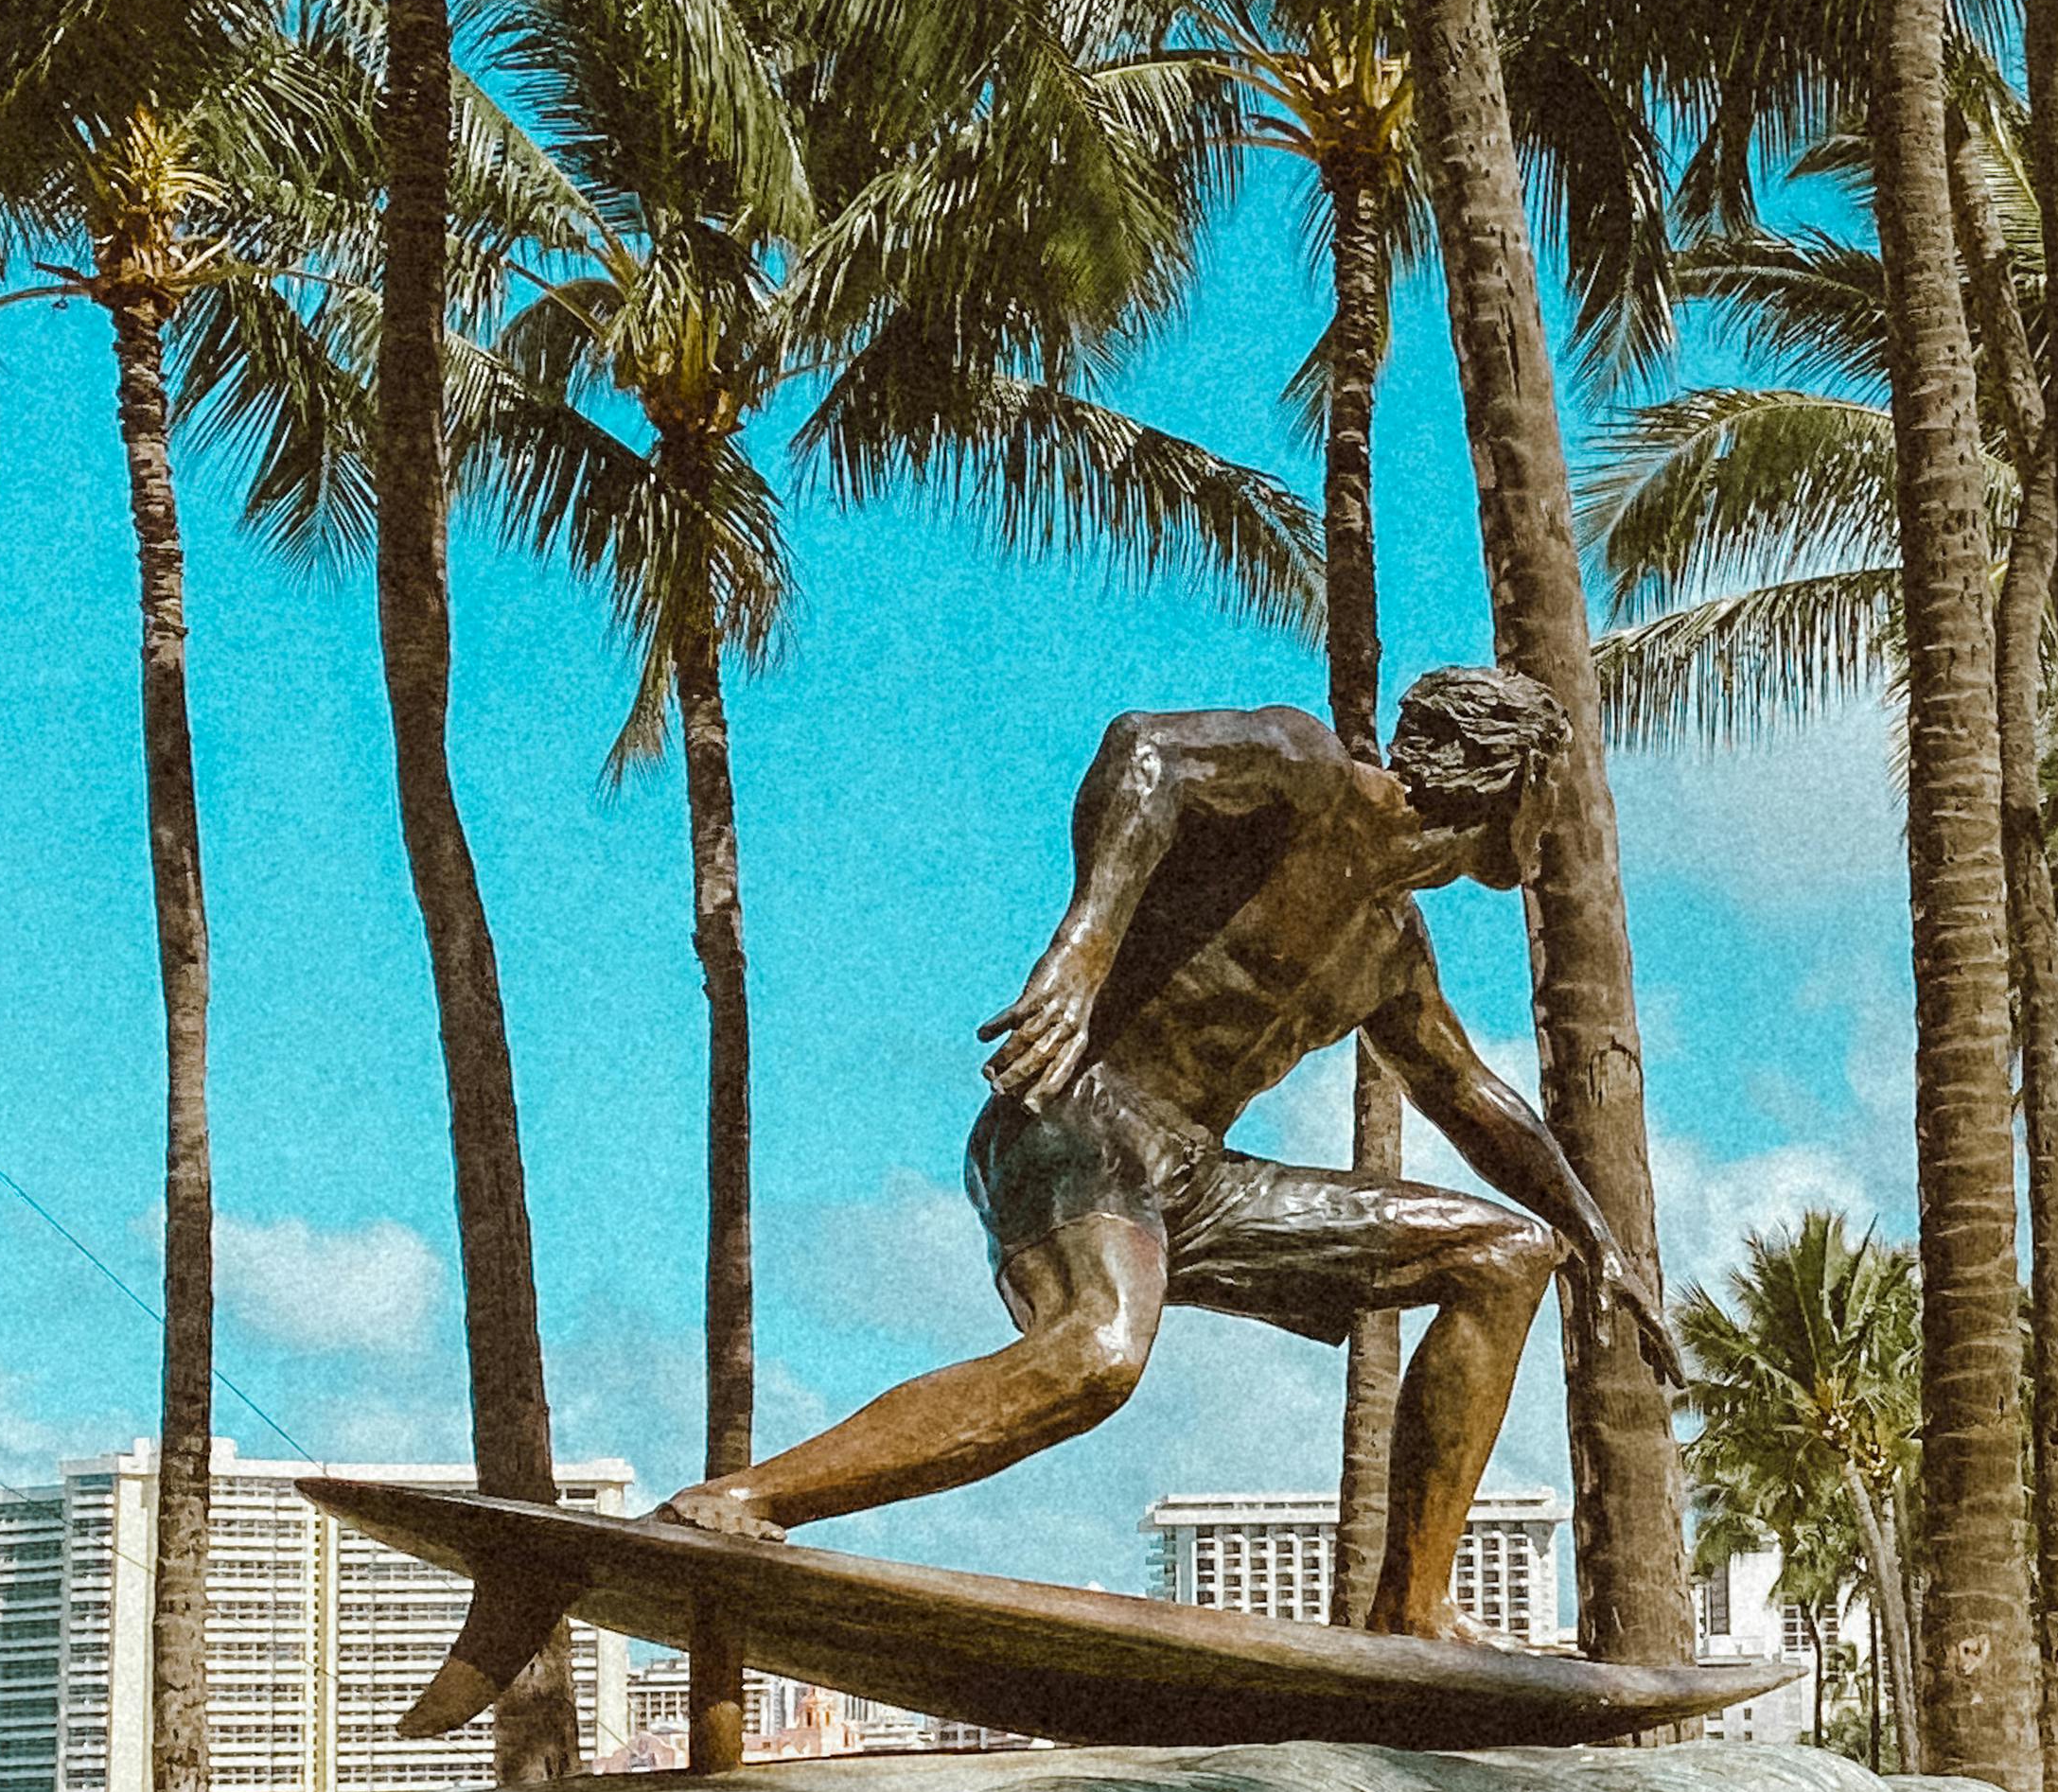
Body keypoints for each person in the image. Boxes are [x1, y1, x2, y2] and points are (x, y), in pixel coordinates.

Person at [664, 675, 1685, 1643]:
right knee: (1096, 1355)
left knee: (1504, 1255)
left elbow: (1468, 1095)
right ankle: (743, 1497)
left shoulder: (1390, 946)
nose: (1560, 825)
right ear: (1518, 782)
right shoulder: (1307, 770)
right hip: (1075, 1124)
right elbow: (1146, 750)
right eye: (1557, 792)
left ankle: (1411, 1610)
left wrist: (1599, 1244)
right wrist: (1086, 942)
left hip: (1198, 1178)